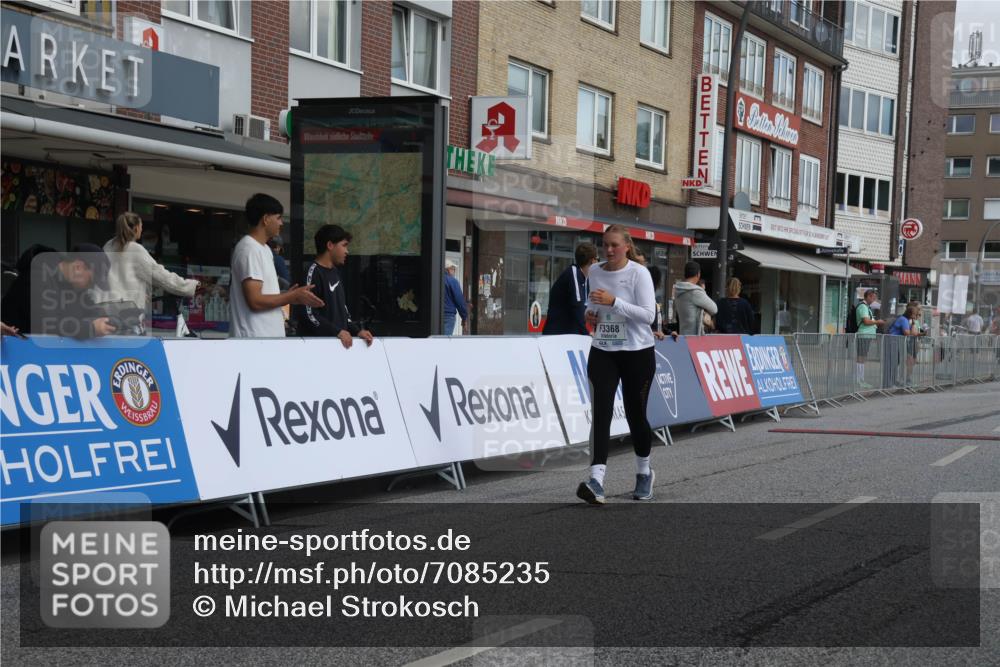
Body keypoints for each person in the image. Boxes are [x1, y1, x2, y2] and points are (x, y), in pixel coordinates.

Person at [577, 224, 657, 504]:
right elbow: (593, 307)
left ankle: (644, 472)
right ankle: (596, 480)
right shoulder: (596, 271)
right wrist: (592, 314)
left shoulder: (639, 273)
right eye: (604, 245)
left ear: (626, 246)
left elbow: (648, 316)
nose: (608, 250)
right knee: (601, 413)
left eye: (614, 245)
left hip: (637, 351)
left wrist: (615, 302)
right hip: (604, 350)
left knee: (636, 415)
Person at [229, 193, 322, 338]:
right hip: (253, 341)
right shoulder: (249, 249)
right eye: (278, 217)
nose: (281, 223)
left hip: (266, 340)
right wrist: (291, 296)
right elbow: (255, 301)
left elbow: (262, 297)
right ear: (266, 219)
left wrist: (289, 296)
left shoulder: (264, 249)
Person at [101, 212, 199, 327]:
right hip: (126, 317)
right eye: (141, 226)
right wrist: (190, 286)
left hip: (103, 314)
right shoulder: (136, 250)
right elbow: (161, 277)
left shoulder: (107, 246)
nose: (142, 230)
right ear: (137, 228)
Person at [0, 243, 116, 339]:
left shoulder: (73, 285)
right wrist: (90, 329)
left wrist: (109, 321)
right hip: (14, 351)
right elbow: (46, 325)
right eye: (91, 282)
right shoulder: (37, 276)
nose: (91, 287)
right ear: (78, 268)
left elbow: (89, 309)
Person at [299, 224, 373, 348]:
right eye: (344, 245)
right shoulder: (312, 272)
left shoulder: (335, 273)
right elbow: (308, 314)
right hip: (317, 348)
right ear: (330, 245)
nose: (347, 251)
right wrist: (337, 332)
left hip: (337, 348)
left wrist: (357, 331)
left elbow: (343, 312)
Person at [542, 242, 598, 335]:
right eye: (598, 259)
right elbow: (578, 306)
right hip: (557, 336)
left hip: (569, 335)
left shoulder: (585, 279)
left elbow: (587, 307)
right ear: (592, 261)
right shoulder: (573, 272)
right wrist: (586, 334)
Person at [673, 262, 718, 336]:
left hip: (683, 334)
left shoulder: (678, 290)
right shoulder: (695, 292)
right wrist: (703, 291)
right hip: (695, 336)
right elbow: (714, 309)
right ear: (698, 274)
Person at [855, 289, 885, 389]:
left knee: (862, 357)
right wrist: (877, 322)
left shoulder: (866, 306)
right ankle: (859, 380)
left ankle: (861, 379)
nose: (874, 300)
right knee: (861, 357)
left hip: (867, 335)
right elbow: (866, 321)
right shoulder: (863, 306)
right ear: (868, 296)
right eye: (873, 297)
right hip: (864, 334)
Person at [886, 304, 921, 386]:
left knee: (896, 362)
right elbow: (907, 333)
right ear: (910, 314)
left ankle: (893, 380)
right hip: (893, 342)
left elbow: (911, 332)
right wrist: (912, 326)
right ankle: (890, 382)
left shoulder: (905, 320)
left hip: (897, 343)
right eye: (915, 314)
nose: (916, 316)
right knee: (893, 362)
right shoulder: (904, 320)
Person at [443, 259, 468, 336]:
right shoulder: (452, 281)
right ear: (448, 269)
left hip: (434, 316)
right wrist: (464, 317)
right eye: (453, 269)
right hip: (448, 316)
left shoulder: (435, 279)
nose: (454, 272)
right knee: (444, 342)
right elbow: (459, 301)